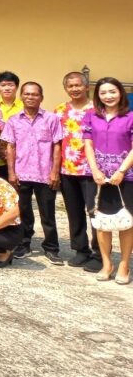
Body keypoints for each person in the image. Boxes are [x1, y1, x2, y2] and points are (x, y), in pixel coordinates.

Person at [2, 81, 64, 263]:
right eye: (27, 94)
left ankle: (51, 248)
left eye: (35, 94)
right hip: (21, 173)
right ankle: (24, 244)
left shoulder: (52, 119)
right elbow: (10, 147)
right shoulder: (13, 120)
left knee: (48, 212)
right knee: (23, 212)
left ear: (41, 97)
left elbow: (57, 146)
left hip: (45, 174)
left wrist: (55, 172)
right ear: (22, 96)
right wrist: (11, 172)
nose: (30, 97)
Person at [83, 77, 133, 284]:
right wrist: (95, 170)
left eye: (112, 91)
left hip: (126, 176)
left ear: (120, 92)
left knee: (126, 221)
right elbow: (88, 144)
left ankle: (124, 264)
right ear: (97, 95)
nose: (108, 96)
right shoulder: (90, 116)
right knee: (101, 221)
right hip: (98, 177)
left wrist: (121, 171)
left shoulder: (130, 116)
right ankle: (106, 263)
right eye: (103, 92)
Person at [53, 71, 101, 270]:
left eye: (78, 85)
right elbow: (55, 141)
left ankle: (99, 253)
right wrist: (54, 169)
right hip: (67, 170)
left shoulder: (98, 108)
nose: (74, 89)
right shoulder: (60, 110)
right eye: (70, 86)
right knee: (74, 212)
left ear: (86, 86)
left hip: (93, 170)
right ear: (66, 88)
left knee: (95, 212)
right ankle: (81, 250)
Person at [0, 71, 24, 178]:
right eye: (3, 85)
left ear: (17, 87)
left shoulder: (25, 106)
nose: (7, 88)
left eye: (10, 85)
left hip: (20, 155)